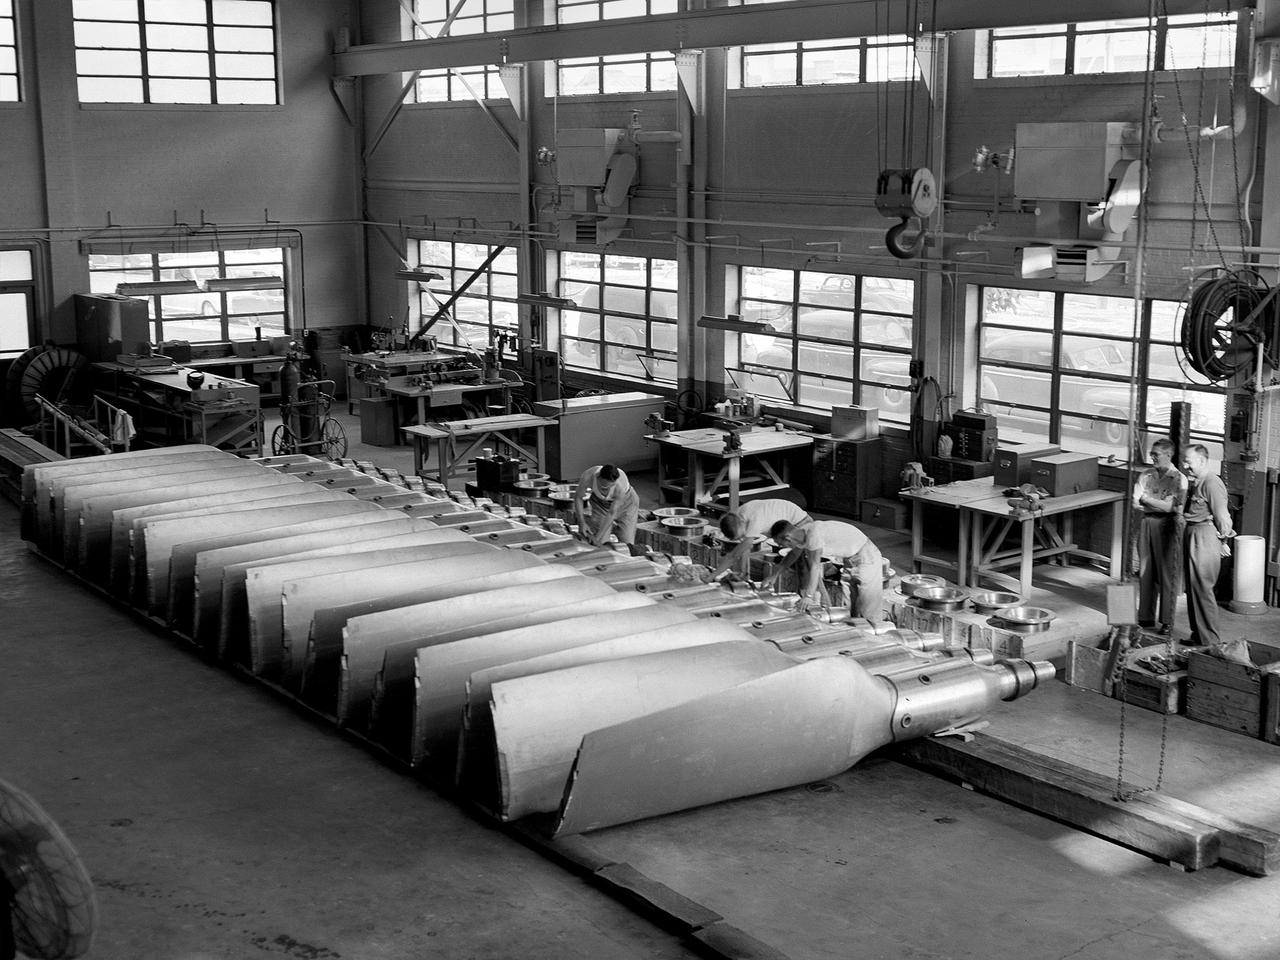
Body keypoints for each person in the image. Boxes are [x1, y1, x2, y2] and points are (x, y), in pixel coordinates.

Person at [766, 518, 885, 621]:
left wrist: (808, 596)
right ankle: (858, 631)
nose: (782, 547)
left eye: (781, 544)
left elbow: (815, 566)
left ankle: (876, 633)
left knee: (868, 606)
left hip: (866, 555)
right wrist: (774, 575)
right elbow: (793, 555)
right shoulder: (801, 534)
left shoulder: (813, 535)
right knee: (851, 606)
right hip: (850, 559)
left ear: (788, 538)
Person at [1181, 444, 1235, 646]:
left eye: (1189, 461)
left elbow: (1223, 516)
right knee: (1193, 587)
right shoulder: (1197, 482)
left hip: (1205, 535)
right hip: (1193, 533)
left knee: (1203, 588)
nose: (1185, 465)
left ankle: (1210, 642)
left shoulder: (1212, 483)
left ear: (1202, 461)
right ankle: (1198, 635)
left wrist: (1223, 541)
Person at [1132, 438, 1186, 636]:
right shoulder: (1146, 475)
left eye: (1156, 454)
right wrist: (1156, 503)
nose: (1152, 457)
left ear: (1168, 455)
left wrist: (1146, 499)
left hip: (1168, 525)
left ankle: (1167, 620)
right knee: (1145, 570)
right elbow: (1135, 502)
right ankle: (1145, 616)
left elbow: (1172, 507)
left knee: (1167, 574)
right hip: (1147, 522)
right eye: (1152, 454)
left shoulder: (1179, 479)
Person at [707, 498, 812, 580]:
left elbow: (734, 555)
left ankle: (808, 596)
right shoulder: (738, 516)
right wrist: (744, 573)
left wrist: (710, 577)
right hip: (788, 521)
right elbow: (744, 548)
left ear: (742, 524)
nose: (742, 538)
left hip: (801, 524)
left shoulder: (754, 519)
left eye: (742, 535)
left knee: (803, 565)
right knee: (796, 563)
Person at [574, 463, 640, 547]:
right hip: (600, 504)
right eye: (603, 487)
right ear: (597, 477)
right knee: (601, 542)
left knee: (627, 543)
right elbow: (578, 497)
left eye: (610, 487)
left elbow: (612, 513)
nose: (606, 490)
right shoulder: (588, 476)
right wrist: (581, 523)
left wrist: (597, 538)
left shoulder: (620, 486)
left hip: (627, 505)